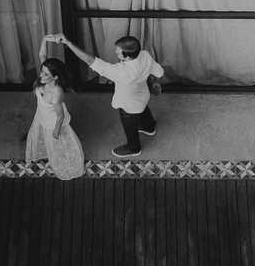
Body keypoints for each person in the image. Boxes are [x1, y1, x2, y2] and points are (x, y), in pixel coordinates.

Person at [52, 33, 163, 158]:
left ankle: (134, 148)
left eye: (118, 52)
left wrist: (68, 42)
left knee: (130, 127)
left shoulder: (120, 72)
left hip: (129, 106)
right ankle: (149, 127)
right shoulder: (145, 55)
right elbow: (159, 71)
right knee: (142, 109)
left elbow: (90, 60)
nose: (115, 52)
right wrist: (156, 82)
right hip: (143, 96)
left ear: (127, 57)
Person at [25, 38, 85, 179]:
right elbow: (42, 55)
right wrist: (44, 39)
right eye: (42, 72)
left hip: (53, 123)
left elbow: (60, 116)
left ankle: (70, 166)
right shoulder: (45, 78)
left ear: (55, 77)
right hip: (42, 115)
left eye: (45, 74)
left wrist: (56, 131)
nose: (41, 75)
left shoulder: (56, 94)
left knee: (60, 145)